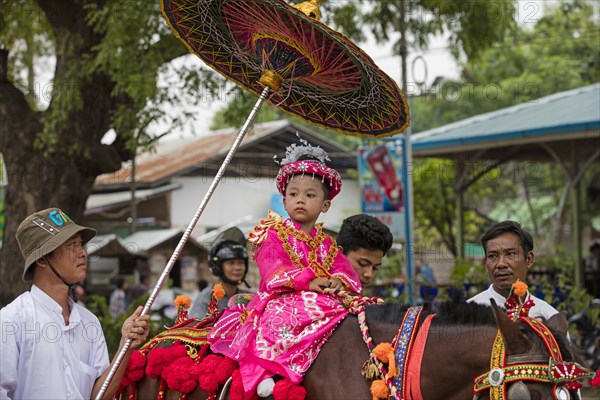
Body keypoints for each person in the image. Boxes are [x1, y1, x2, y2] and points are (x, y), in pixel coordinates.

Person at [208, 139, 361, 399]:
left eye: (310, 195)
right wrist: (308, 282)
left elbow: (345, 270)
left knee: (347, 310)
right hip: (280, 298)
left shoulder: (327, 243)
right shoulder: (273, 233)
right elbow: (272, 268)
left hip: (318, 299)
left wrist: (337, 281)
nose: (300, 200)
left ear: (325, 205)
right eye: (294, 194)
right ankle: (270, 371)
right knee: (289, 311)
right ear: (284, 199)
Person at [0, 208, 149, 400]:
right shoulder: (11, 321)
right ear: (42, 259)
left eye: (81, 245)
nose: (82, 253)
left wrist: (125, 347)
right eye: (72, 246)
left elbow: (100, 396)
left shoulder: (89, 322)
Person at [468, 220, 568, 332]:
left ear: (529, 259)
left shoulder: (548, 317)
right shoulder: (467, 315)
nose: (501, 264)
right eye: (493, 256)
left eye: (510, 254)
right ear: (485, 263)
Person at [189, 227, 251, 319]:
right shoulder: (205, 299)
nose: (237, 267)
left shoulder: (248, 298)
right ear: (218, 266)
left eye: (241, 263)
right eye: (231, 263)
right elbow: (196, 330)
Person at [336, 214, 393, 287]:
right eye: (362, 263)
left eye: (375, 268)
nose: (369, 274)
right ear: (339, 254)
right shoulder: (318, 294)